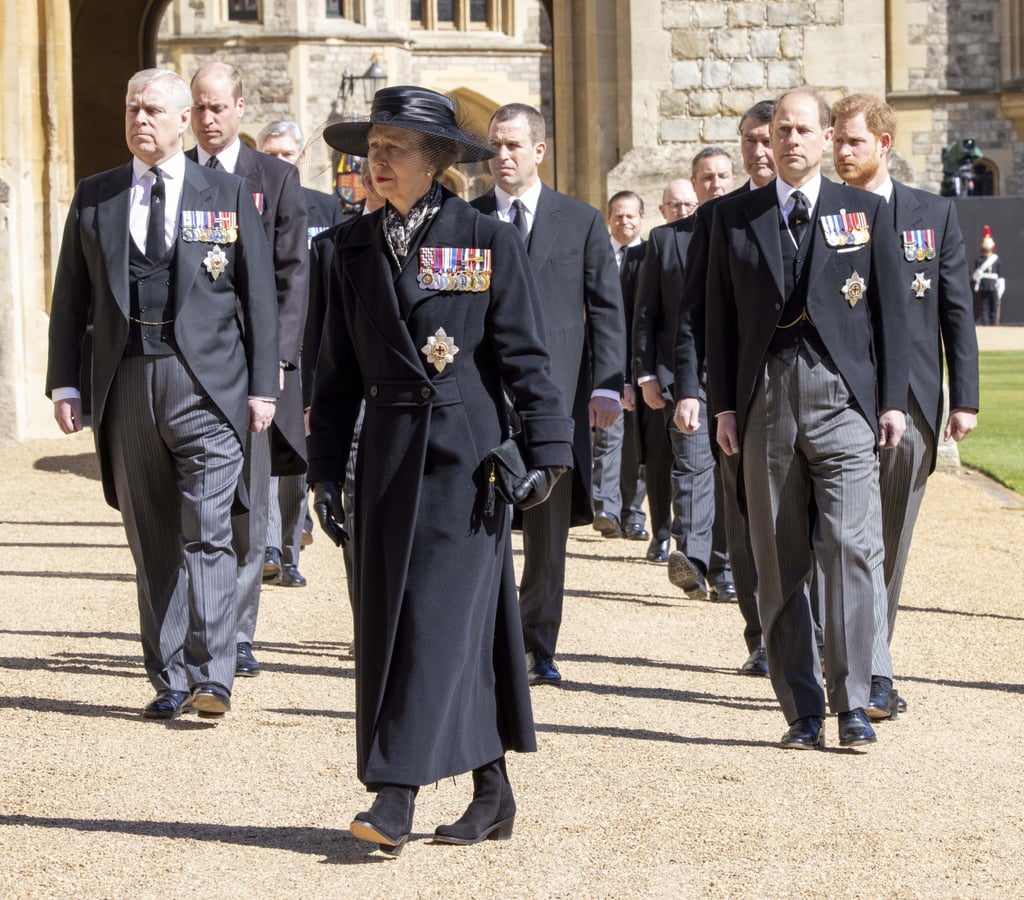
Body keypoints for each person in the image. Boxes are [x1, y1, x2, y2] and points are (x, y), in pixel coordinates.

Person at [305, 85, 574, 854]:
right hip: (386, 464)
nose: (374, 161)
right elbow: (335, 377)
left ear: (437, 162)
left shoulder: (484, 239)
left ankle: (394, 794)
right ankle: (493, 792)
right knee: (404, 626)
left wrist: (548, 454)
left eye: (392, 149)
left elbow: (524, 355)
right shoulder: (345, 248)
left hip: (469, 466)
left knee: (431, 624)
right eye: (371, 148)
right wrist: (325, 470)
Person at [45, 68, 279, 720]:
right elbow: (72, 301)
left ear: (183, 121)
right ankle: (170, 678)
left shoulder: (228, 195)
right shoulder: (96, 198)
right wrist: (66, 382)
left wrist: (264, 388)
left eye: (153, 110)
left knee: (207, 528)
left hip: (207, 387)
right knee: (151, 536)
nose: (140, 120)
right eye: (132, 109)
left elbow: (258, 297)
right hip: (126, 382)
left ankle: (214, 675)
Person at [704, 87, 909, 750]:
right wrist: (725, 407)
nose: (790, 141)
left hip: (843, 398)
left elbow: (891, 316)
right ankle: (800, 706)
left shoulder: (866, 212)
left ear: (826, 139)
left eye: (803, 130)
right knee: (781, 556)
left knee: (851, 549)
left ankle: (852, 700)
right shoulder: (734, 218)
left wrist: (893, 401)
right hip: (766, 397)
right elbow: (719, 320)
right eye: (780, 131)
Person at [831, 93, 979, 717]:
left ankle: (868, 658)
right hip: (844, 397)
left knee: (890, 539)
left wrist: (964, 399)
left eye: (852, 142)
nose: (840, 152)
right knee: (847, 537)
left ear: (883, 145)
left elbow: (955, 310)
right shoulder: (826, 212)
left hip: (915, 399)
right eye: (836, 140)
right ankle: (870, 675)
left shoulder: (931, 213)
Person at [472, 103, 625, 686]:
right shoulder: (469, 217)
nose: (501, 157)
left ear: (539, 150)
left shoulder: (581, 221)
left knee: (546, 532)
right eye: (494, 146)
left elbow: (606, 310)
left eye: (512, 145)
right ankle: (486, 640)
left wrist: (609, 384)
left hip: (555, 397)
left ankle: (538, 646)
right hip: (485, 394)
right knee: (480, 522)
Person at [189, 62, 309, 677]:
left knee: (248, 504)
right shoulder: (175, 175)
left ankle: (237, 634)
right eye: (199, 108)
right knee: (193, 509)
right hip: (189, 368)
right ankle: (198, 631)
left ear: (239, 107)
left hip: (255, 367)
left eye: (218, 108)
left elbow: (292, 274)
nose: (208, 121)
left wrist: (280, 359)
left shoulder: (275, 177)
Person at [673, 101, 777, 675]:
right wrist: (690, 388)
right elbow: (692, 313)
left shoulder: (828, 209)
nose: (759, 151)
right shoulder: (720, 218)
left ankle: (806, 632)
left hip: (810, 394)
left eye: (768, 138)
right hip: (736, 392)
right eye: (750, 140)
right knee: (742, 516)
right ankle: (761, 635)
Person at [635, 147, 735, 598]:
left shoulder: (746, 232)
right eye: (706, 177)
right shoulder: (665, 240)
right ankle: (691, 559)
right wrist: (646, 374)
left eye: (721, 176)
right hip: (684, 375)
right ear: (694, 186)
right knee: (693, 465)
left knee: (731, 472)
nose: (714, 184)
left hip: (737, 375)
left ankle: (728, 568)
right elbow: (647, 314)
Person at [256, 118, 344, 589]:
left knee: (301, 454)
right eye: (269, 154)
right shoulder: (243, 203)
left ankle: (289, 547)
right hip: (271, 345)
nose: (278, 162)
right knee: (270, 442)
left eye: (286, 154)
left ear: (301, 158)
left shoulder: (328, 209)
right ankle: (269, 545)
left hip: (317, 344)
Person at [591, 191, 651, 543]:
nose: (624, 221)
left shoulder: (651, 256)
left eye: (631, 216)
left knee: (640, 447)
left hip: (644, 366)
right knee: (609, 438)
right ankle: (607, 509)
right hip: (608, 365)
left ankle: (635, 515)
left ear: (641, 218)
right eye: (618, 215)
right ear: (608, 218)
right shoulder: (598, 255)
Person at [972, 225, 1004, 325]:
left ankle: (993, 324)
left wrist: (1001, 288)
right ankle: (986, 325)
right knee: (984, 307)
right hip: (984, 286)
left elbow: (1000, 276)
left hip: (994, 286)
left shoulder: (997, 260)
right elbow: (976, 275)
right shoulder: (979, 260)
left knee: (994, 306)